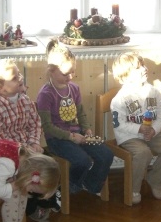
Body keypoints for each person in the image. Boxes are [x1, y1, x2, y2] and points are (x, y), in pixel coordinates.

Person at [0, 58, 60, 222]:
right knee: (27, 173)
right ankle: (31, 209)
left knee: (48, 164)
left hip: (29, 149)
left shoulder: (25, 100)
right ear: (1, 88)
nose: (20, 78)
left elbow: (35, 123)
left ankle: (46, 202)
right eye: (15, 77)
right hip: (9, 157)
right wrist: (24, 150)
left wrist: (34, 143)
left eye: (19, 74)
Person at [36, 39, 114, 197]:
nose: (70, 77)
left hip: (78, 134)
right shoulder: (45, 94)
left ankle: (89, 184)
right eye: (65, 74)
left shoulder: (74, 88)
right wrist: (71, 137)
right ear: (51, 70)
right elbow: (48, 126)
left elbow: (81, 113)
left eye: (73, 72)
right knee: (82, 160)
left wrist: (87, 129)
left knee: (106, 154)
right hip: (58, 139)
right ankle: (69, 186)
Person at [110, 53, 161, 205]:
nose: (144, 69)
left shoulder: (153, 92)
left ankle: (155, 180)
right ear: (125, 77)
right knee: (143, 153)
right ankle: (133, 188)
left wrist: (154, 129)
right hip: (129, 136)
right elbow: (119, 124)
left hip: (152, 133)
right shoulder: (120, 98)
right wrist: (139, 129)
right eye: (138, 68)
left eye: (143, 65)